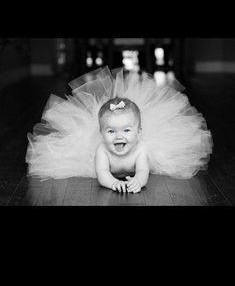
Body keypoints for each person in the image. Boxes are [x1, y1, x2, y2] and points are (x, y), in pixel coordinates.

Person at [26, 66, 213, 192]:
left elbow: (142, 171)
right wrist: (113, 182)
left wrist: (138, 182)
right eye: (110, 131)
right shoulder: (101, 150)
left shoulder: (141, 149)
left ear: (139, 132)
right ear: (101, 133)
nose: (118, 136)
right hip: (99, 162)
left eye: (126, 130)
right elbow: (102, 173)